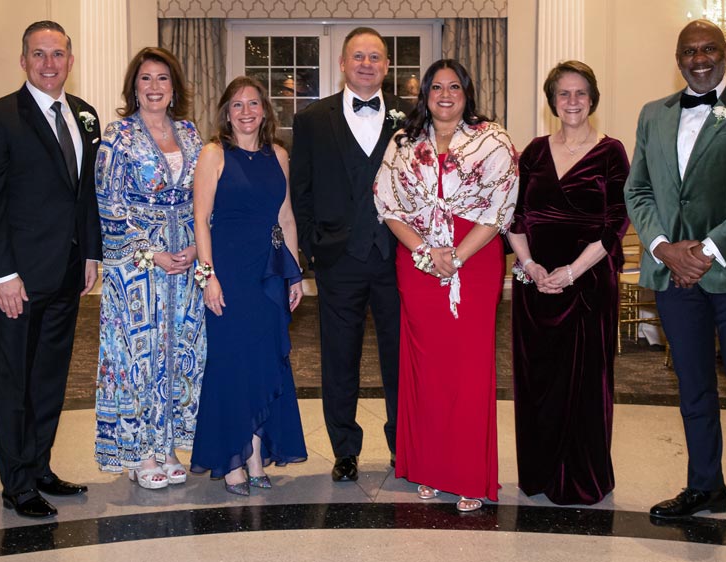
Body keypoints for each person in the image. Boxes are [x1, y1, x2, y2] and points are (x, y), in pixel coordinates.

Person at [624, 20, 726, 550]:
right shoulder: (653, 114)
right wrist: (662, 247)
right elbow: (639, 189)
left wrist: (708, 249)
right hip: (673, 275)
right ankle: (704, 486)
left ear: (725, 54)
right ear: (677, 59)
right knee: (692, 388)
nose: (700, 58)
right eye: (689, 51)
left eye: (709, 49)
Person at [0, 21, 102, 519]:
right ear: (23, 60)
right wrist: (1, 274)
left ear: (71, 59)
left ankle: (41, 466)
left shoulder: (85, 115)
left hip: (67, 273)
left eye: (59, 54)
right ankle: (17, 483)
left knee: (49, 377)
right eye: (39, 54)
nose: (50, 63)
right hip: (18, 281)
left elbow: (85, 192)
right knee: (14, 381)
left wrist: (90, 253)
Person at [373, 59, 518, 512]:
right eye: (436, 87)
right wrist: (424, 252)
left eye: (455, 86)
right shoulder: (403, 143)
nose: (445, 94)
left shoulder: (493, 140)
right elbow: (387, 205)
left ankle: (470, 475)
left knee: (469, 367)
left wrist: (455, 255)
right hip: (416, 264)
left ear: (467, 93)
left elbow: (500, 209)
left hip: (474, 259)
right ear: (425, 95)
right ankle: (430, 467)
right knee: (426, 367)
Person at [507, 60, 630, 506]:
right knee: (538, 381)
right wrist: (532, 265)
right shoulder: (535, 152)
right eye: (563, 94)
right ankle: (539, 472)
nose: (572, 101)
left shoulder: (611, 151)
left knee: (585, 383)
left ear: (592, 98)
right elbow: (513, 216)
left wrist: (572, 271)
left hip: (588, 286)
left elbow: (616, 221)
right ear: (552, 101)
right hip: (534, 285)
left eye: (580, 93)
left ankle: (581, 477)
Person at [290, 27, 410, 482]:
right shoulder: (312, 120)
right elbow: (300, 191)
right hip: (337, 261)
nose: (366, 64)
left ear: (386, 65)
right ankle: (345, 447)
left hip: (397, 259)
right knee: (339, 359)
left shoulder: (410, 117)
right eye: (357, 56)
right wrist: (312, 249)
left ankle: (405, 445)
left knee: (400, 358)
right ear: (342, 64)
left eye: (375, 57)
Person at [93, 47, 205, 489]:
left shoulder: (192, 135)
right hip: (136, 266)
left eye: (162, 79)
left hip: (187, 263)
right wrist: (148, 250)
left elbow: (207, 197)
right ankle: (139, 452)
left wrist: (198, 245)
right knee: (139, 356)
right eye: (145, 79)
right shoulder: (117, 136)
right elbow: (108, 206)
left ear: (174, 88)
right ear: (133, 87)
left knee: (181, 354)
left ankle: (168, 446)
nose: (154, 87)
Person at [190, 76, 307, 495]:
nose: (245, 112)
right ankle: (233, 461)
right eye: (237, 105)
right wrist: (209, 277)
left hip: (269, 275)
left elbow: (287, 217)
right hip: (229, 274)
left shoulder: (278, 154)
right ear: (226, 112)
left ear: (265, 111)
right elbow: (200, 220)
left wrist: (295, 275)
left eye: (253, 104)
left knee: (265, 363)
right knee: (232, 365)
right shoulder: (213, 154)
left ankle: (256, 456)